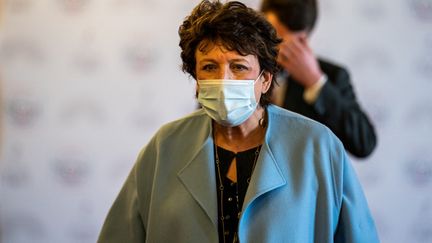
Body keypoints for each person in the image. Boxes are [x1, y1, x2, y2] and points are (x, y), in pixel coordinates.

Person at [97, 1, 379, 242]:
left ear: (266, 79)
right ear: (195, 80)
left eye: (239, 67)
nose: (223, 81)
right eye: (209, 67)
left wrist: (315, 80)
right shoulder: (165, 147)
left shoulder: (319, 146)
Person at [260, 0, 377, 158]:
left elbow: (364, 144)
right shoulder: (241, 68)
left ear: (304, 38)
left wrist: (316, 82)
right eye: (270, 36)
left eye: (284, 42)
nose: (273, 48)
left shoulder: (333, 75)